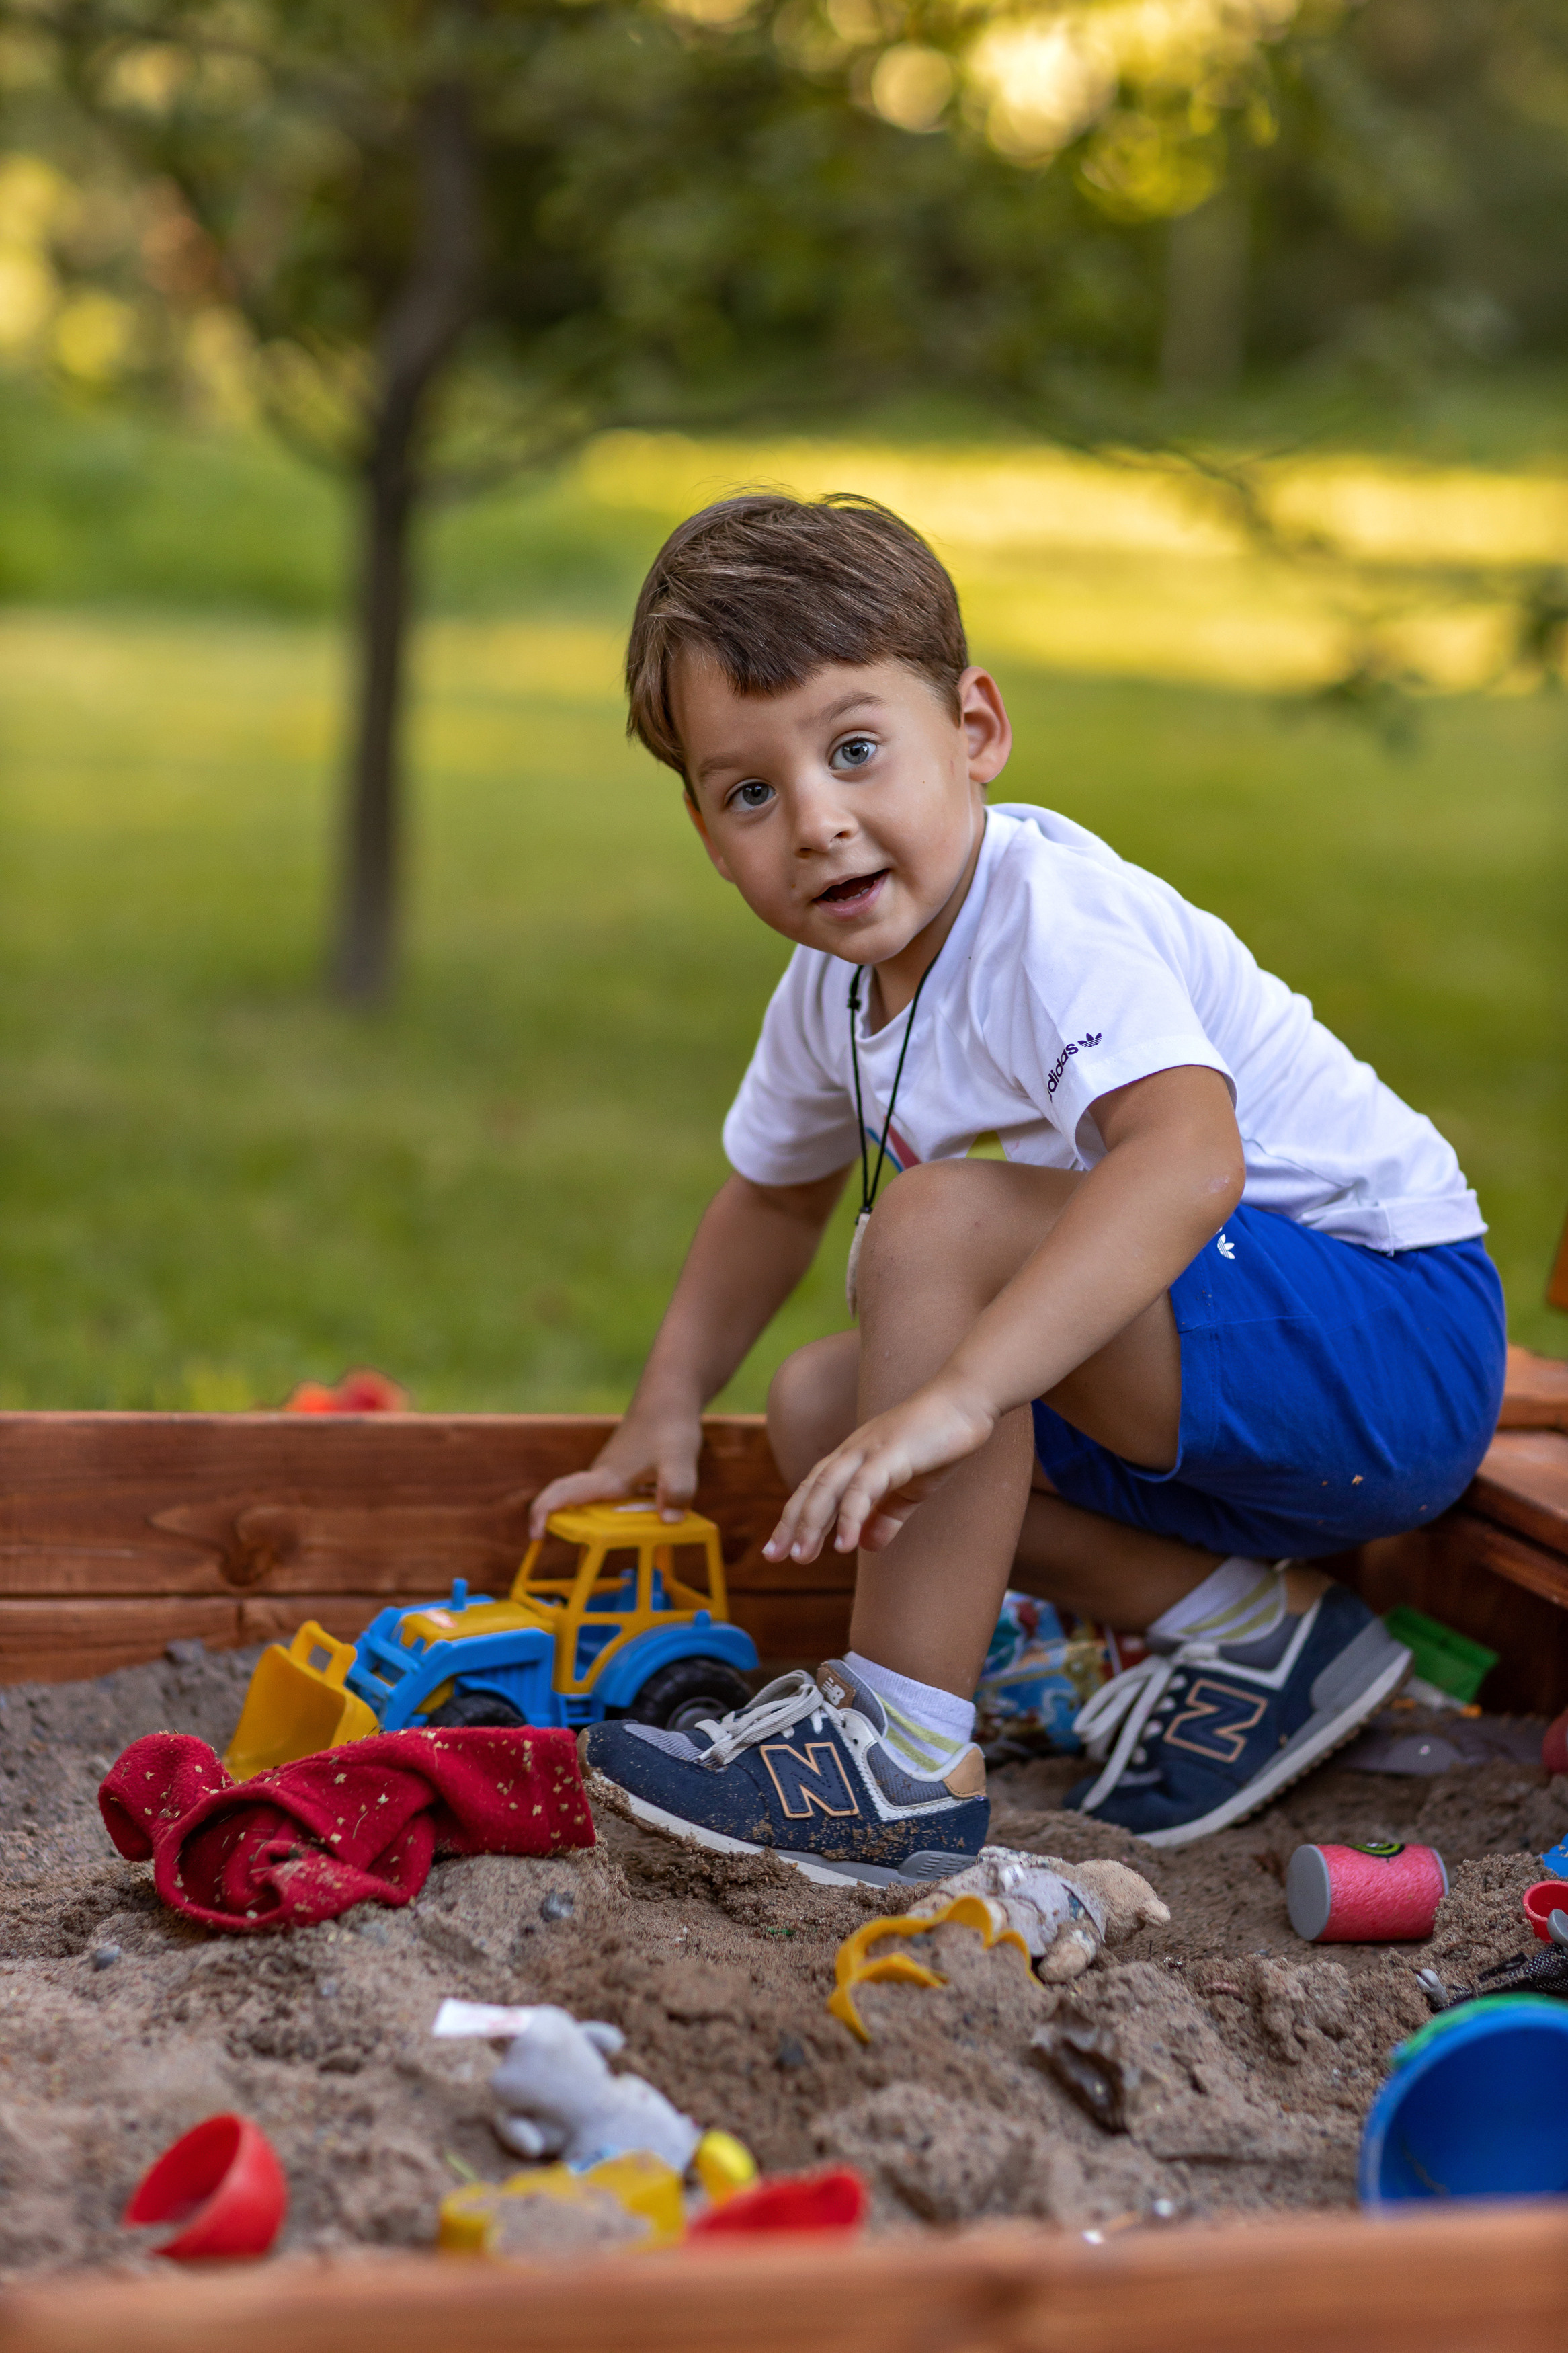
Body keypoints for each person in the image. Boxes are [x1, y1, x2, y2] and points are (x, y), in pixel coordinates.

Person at [531, 492, 1505, 1883]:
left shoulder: (1047, 920)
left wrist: (966, 1393)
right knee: (823, 1411)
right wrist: (666, 1405)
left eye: (855, 750)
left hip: (1391, 1343)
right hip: (1243, 1378)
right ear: (704, 829)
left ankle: (899, 1758)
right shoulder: (827, 991)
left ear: (975, 730)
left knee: (930, 1226)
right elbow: (773, 1198)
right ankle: (1258, 1635)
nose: (816, 822)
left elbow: (1187, 1157)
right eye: (751, 792)